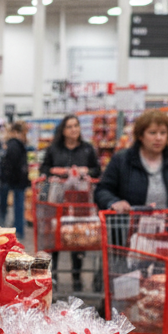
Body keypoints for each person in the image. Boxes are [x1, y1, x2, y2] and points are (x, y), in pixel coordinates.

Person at [95, 109, 168, 334]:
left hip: (167, 243)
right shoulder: (123, 161)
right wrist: (115, 202)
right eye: (152, 132)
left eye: (163, 133)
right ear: (141, 135)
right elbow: (102, 190)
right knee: (137, 296)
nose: (158, 138)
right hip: (131, 242)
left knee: (166, 296)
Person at [40, 114, 102, 292]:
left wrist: (86, 171)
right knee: (55, 237)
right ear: (63, 130)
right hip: (57, 203)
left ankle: (77, 276)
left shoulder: (87, 149)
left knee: (76, 238)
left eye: (76, 126)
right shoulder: (54, 149)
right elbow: (43, 169)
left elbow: (97, 170)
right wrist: (57, 171)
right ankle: (54, 275)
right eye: (70, 126)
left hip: (80, 202)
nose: (74, 129)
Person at [0, 121, 30, 241]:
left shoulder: (12, 144)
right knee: (18, 207)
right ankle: (18, 231)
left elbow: (10, 164)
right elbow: (15, 164)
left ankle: (16, 230)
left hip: (14, 180)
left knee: (13, 207)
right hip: (18, 180)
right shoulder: (17, 145)